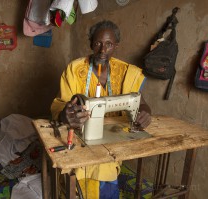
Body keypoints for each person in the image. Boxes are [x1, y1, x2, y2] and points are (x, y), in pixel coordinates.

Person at [50, 20, 152, 198]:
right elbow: (60, 104)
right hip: (79, 138)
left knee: (106, 168)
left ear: (116, 46)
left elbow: (140, 102)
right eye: (98, 43)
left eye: (109, 44)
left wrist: (146, 112)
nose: (103, 50)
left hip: (112, 144)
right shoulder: (74, 70)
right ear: (91, 43)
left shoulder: (126, 71)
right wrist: (65, 115)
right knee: (80, 172)